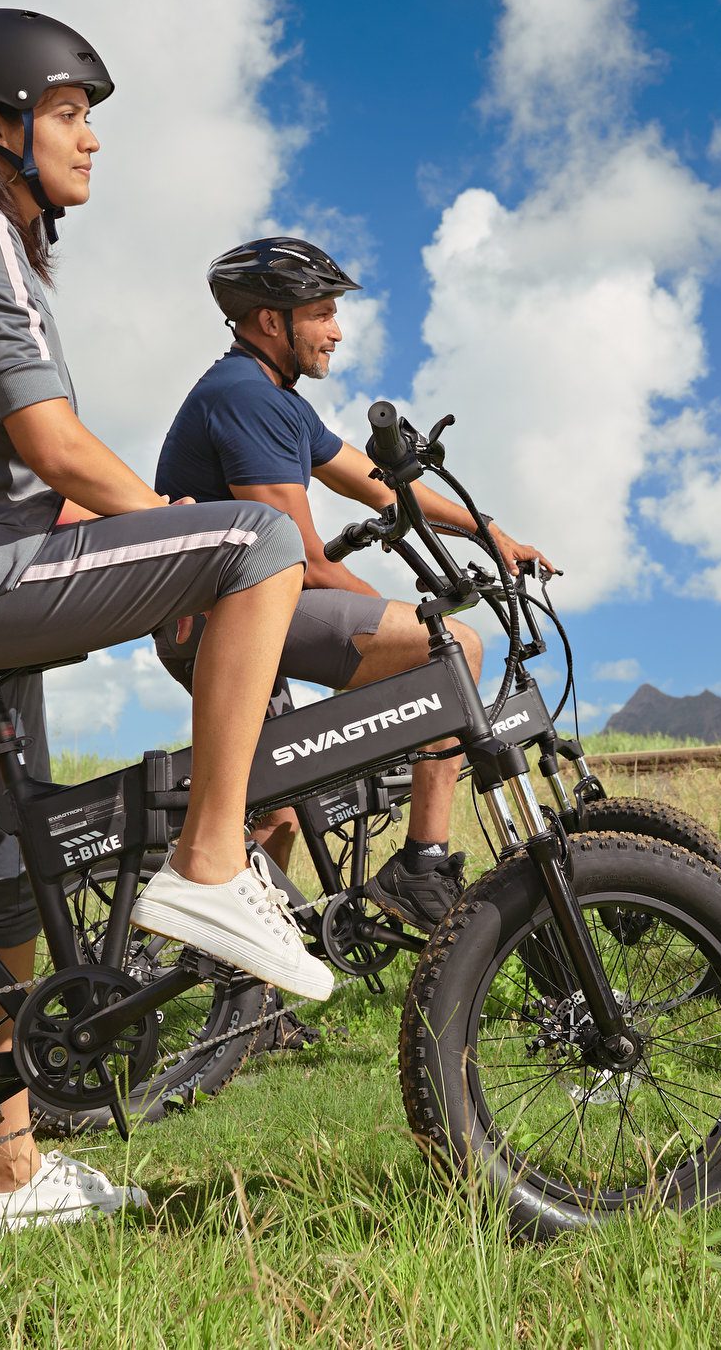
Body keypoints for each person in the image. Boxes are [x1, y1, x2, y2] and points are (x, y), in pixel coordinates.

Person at [0, 9, 333, 1236]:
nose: (91, 139)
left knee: (5, 876)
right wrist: (178, 533)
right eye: (67, 113)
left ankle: (6, 1170)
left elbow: (23, 476)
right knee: (257, 542)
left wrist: (150, 535)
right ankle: (213, 864)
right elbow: (55, 447)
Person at [151, 237, 558, 954]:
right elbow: (304, 562)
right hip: (229, 620)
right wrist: (400, 613)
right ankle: (423, 864)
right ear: (271, 321)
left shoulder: (277, 400)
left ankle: (245, 982)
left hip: (228, 619)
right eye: (322, 313)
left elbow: (377, 484)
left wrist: (487, 532)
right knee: (449, 648)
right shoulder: (247, 398)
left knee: (274, 812)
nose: (337, 331)